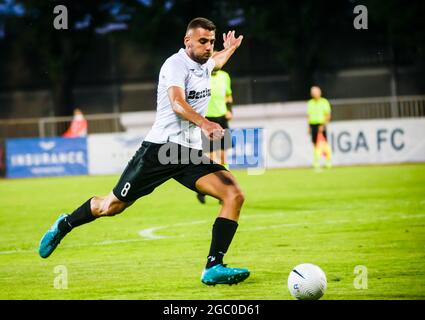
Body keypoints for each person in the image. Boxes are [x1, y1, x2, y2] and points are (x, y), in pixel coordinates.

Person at [38, 17, 250, 286]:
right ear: (187, 41)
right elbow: (177, 103)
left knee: (233, 193)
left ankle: (213, 266)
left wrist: (230, 48)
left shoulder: (206, 64)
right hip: (159, 151)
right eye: (202, 41)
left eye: (211, 41)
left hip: (186, 155)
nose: (209, 47)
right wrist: (206, 123)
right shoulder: (175, 65)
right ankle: (64, 225)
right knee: (110, 207)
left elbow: (216, 61)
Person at [197, 68, 233, 204]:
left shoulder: (225, 76)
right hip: (208, 120)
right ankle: (204, 189)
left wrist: (230, 110)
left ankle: (226, 189)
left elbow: (228, 95)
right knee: (211, 158)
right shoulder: (202, 77)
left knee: (224, 157)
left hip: (222, 119)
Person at [307, 86, 332, 169]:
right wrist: (309, 127)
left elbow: (328, 115)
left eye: (316, 92)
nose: (315, 94)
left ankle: (328, 161)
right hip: (313, 125)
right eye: (313, 92)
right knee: (315, 144)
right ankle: (316, 162)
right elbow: (309, 116)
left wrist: (323, 125)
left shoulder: (324, 102)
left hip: (321, 124)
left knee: (324, 144)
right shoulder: (310, 103)